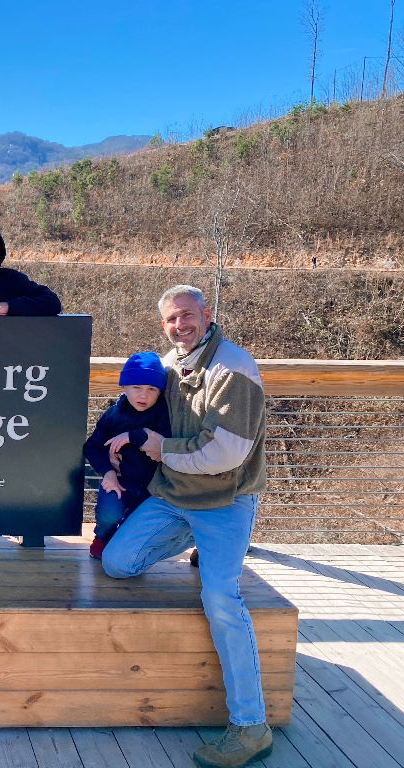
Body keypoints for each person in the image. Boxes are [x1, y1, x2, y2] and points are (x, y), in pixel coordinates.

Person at [101, 285, 270, 768]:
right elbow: (135, 412)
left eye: (189, 315)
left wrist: (159, 448)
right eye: (173, 318)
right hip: (173, 496)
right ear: (164, 325)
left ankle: (250, 726)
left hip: (223, 501)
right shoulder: (168, 365)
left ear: (207, 314)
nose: (182, 324)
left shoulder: (233, 368)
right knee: (117, 563)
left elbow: (226, 453)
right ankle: (195, 542)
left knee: (221, 599)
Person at [82, 351, 170, 559]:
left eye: (152, 389)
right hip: (119, 482)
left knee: (135, 526)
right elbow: (92, 447)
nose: (143, 395)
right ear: (124, 386)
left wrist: (136, 436)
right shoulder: (114, 415)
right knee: (108, 514)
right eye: (136, 387)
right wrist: (108, 473)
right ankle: (102, 537)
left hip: (153, 488)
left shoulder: (165, 416)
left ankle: (127, 548)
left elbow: (171, 441)